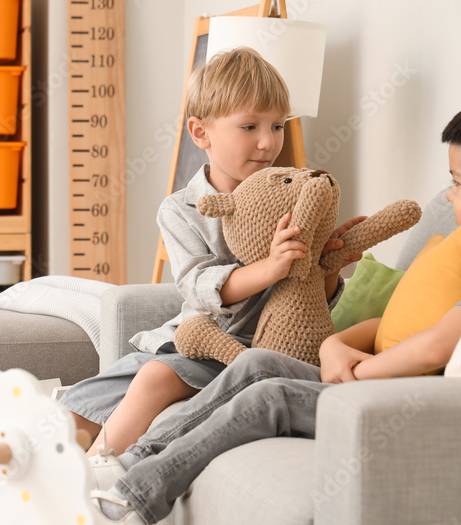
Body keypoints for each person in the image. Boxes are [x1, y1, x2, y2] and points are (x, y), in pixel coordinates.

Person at [90, 80, 461, 525]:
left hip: (404, 402)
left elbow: (437, 346)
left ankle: (134, 502)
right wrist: (335, 345)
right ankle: (134, 458)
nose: (450, 198)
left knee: (272, 395)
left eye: (456, 184)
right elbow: (398, 323)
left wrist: (358, 373)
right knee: (259, 363)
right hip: (373, 380)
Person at [60, 46, 358, 462]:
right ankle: (43, 478)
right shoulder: (181, 209)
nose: (268, 142)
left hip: (244, 349)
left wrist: (329, 265)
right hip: (187, 340)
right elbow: (199, 288)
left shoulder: (296, 200)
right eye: (250, 126)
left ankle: (97, 479)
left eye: (278, 126)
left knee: (156, 379)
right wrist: (269, 267)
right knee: (76, 407)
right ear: (201, 133)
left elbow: (312, 300)